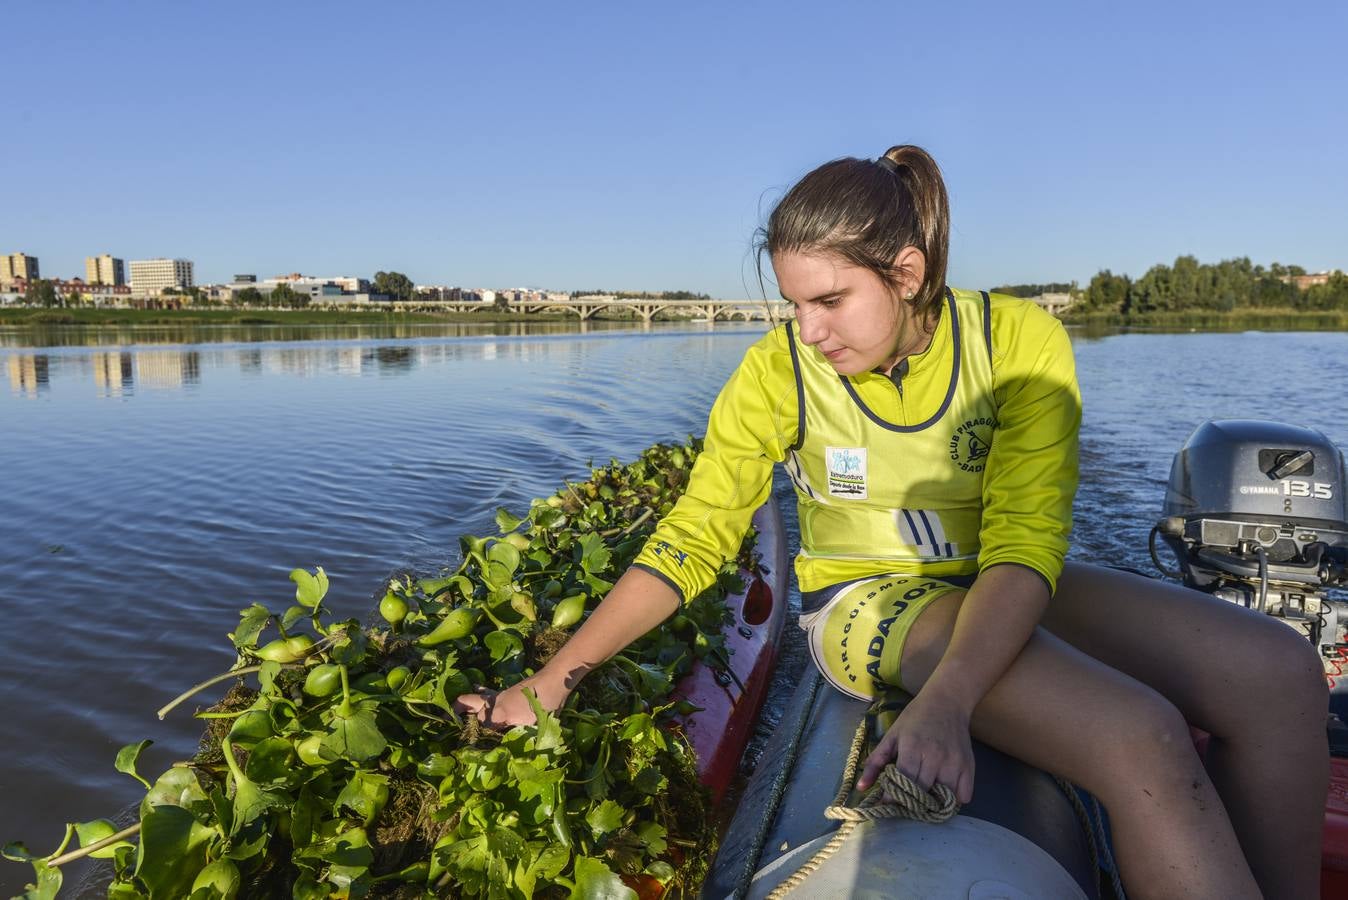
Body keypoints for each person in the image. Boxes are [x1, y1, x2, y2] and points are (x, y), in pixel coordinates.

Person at [456, 145, 1328, 899]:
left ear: (906, 273)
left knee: (1280, 668)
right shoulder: (777, 374)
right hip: (866, 603)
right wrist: (550, 682)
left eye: (830, 301)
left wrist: (949, 702)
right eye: (794, 304)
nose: (808, 331)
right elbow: (693, 539)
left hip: (1001, 583)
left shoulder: (1019, 344)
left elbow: (1025, 549)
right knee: (1139, 736)